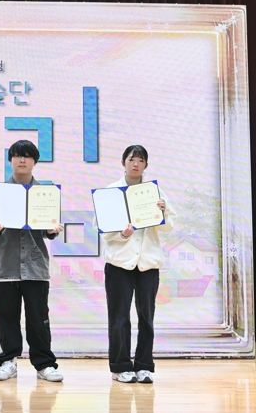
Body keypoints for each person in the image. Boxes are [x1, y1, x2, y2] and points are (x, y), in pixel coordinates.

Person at [0, 140, 65, 383]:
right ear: (10, 160)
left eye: (27, 156)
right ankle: (8, 361)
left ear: (34, 161)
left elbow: (48, 229)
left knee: (38, 319)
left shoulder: (46, 194)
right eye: (17, 156)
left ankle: (44, 364)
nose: (22, 160)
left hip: (36, 267)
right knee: (7, 317)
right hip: (5, 266)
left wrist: (52, 230)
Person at [99, 144, 175, 384]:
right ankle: (120, 366)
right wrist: (122, 235)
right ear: (123, 162)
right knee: (119, 317)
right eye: (132, 159)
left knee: (147, 317)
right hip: (119, 264)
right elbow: (103, 231)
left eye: (140, 160)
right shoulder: (110, 192)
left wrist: (163, 212)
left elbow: (169, 228)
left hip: (148, 264)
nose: (135, 164)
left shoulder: (155, 192)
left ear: (146, 165)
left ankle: (144, 366)